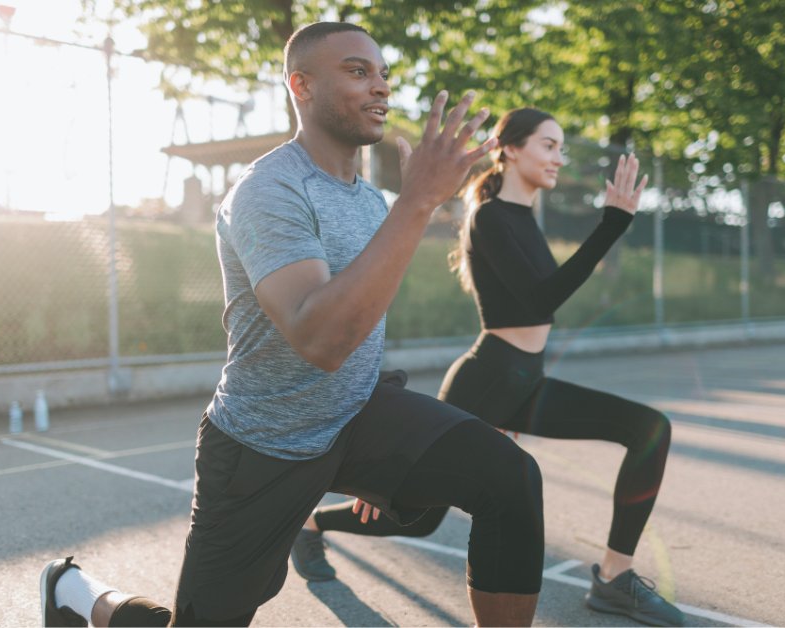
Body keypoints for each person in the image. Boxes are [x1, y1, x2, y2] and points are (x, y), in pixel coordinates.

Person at [38, 22, 546, 627]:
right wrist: (418, 203)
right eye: (358, 72)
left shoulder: (366, 199)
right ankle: (75, 593)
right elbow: (320, 339)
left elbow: (360, 322)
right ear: (301, 85)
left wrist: (384, 452)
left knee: (510, 479)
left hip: (356, 417)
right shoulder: (267, 191)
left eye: (383, 74)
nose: (380, 87)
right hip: (263, 445)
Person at [292, 108, 685, 627]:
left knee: (649, 428)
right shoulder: (491, 217)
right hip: (487, 381)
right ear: (511, 148)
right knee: (417, 520)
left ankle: (614, 578)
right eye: (548, 145)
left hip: (528, 381)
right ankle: (312, 525)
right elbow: (541, 299)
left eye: (561, 148)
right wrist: (611, 224)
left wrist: (611, 225)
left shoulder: (523, 219)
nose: (558, 158)